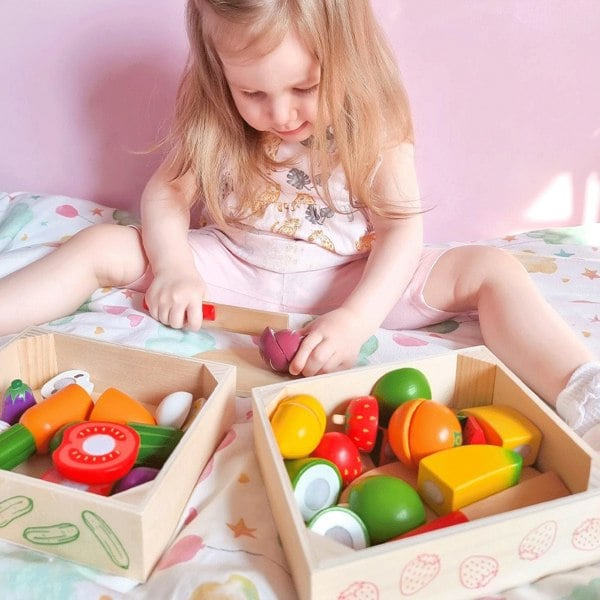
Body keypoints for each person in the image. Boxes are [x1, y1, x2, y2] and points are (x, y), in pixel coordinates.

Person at [0, 0, 599, 442]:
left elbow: (398, 230)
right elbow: (167, 194)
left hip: (351, 278)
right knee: (102, 243)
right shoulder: (214, 111)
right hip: (231, 267)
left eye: (303, 87)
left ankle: (583, 393)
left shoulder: (375, 119)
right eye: (251, 93)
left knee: (491, 268)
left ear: (345, 57)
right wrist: (176, 268)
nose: (279, 114)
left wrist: (355, 319)